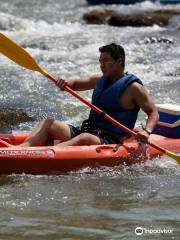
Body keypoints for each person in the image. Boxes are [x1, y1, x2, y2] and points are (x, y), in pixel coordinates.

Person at [16, 43, 159, 148]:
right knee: (48, 122)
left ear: (119, 61)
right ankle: (22, 149)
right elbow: (76, 83)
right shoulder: (99, 80)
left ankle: (47, 154)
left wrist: (147, 131)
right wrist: (65, 82)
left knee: (84, 138)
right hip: (89, 130)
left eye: (106, 61)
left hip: (111, 139)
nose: (102, 65)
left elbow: (153, 112)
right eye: (100, 61)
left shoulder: (134, 88)